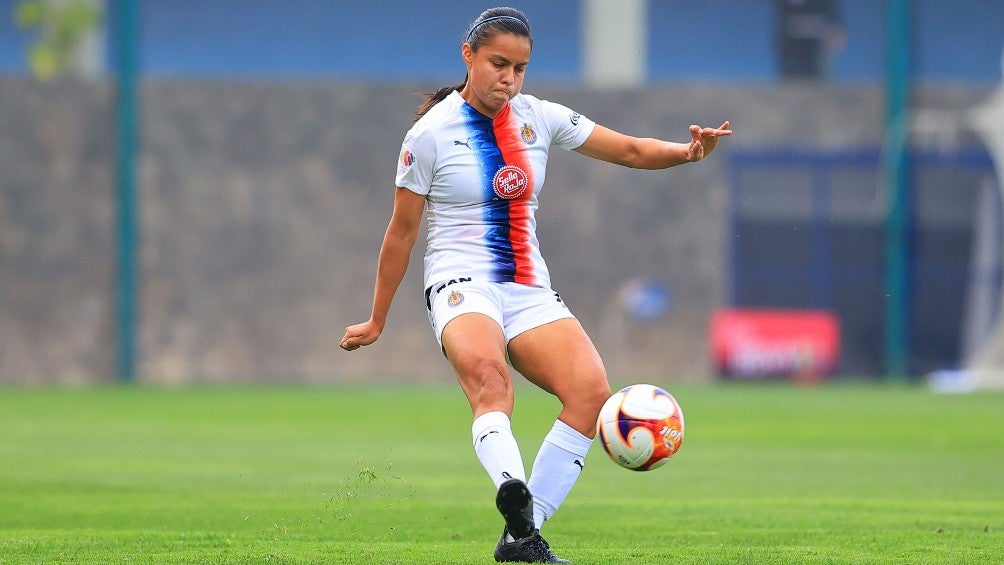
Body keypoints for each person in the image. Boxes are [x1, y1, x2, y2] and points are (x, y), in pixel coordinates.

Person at [340, 7, 731, 563]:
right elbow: (401, 233)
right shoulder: (427, 136)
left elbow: (628, 150)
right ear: (468, 55)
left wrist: (687, 152)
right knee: (491, 383)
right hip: (460, 281)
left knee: (590, 394)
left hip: (527, 285)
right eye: (498, 64)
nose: (509, 79)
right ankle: (511, 487)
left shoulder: (539, 117)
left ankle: (522, 535)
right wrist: (377, 318)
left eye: (520, 68)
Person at [775, 0, 845, 80]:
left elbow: (835, 27)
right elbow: (789, 22)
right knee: (792, 79)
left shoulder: (824, 3)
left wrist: (833, 35)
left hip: (815, 51)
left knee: (818, 78)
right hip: (791, 52)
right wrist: (815, 26)